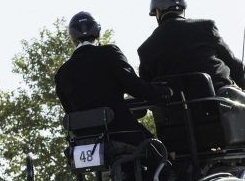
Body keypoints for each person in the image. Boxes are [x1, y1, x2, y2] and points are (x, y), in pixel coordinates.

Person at [137, 0, 245, 159]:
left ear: (158, 11)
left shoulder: (145, 49)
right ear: (182, 9)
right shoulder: (205, 28)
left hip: (178, 135)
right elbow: (236, 66)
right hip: (222, 121)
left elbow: (147, 93)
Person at [55, 11, 170, 145]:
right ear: (98, 33)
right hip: (121, 134)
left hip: (86, 142)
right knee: (160, 155)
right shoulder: (109, 53)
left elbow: (70, 112)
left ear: (72, 38)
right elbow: (134, 86)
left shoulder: (62, 73)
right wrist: (162, 92)